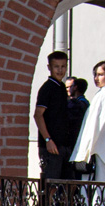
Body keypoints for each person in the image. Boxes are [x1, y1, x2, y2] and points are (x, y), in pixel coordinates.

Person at [34, 51, 73, 180]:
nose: (60, 70)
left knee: (66, 184)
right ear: (49, 67)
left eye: (63, 66)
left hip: (64, 146)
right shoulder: (47, 88)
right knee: (50, 186)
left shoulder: (62, 87)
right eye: (56, 66)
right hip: (51, 147)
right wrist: (47, 140)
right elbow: (38, 115)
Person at [66, 77, 90, 154]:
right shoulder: (86, 103)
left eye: (71, 86)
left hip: (74, 140)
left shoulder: (76, 104)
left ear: (75, 87)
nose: (69, 89)